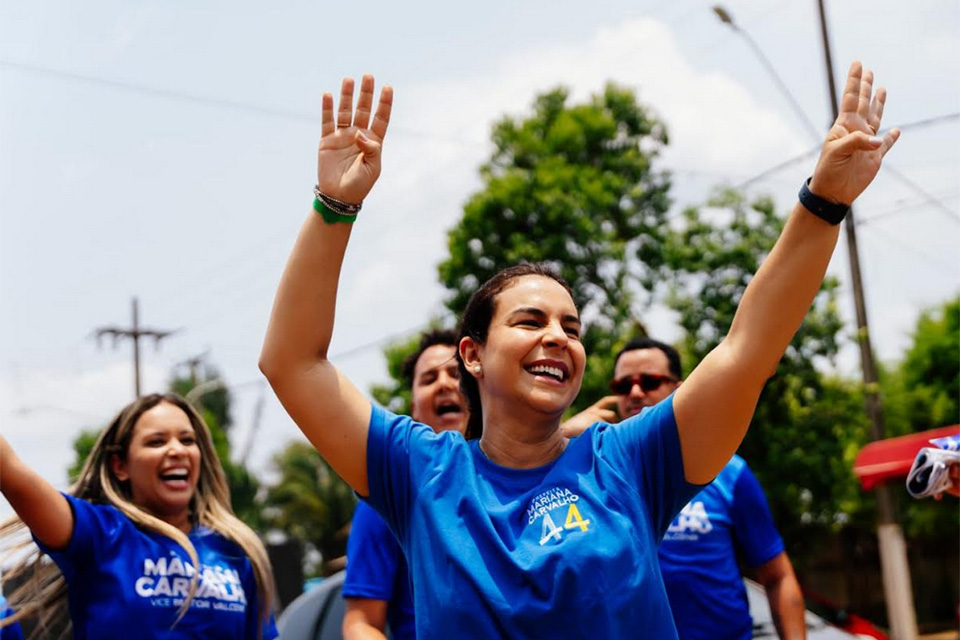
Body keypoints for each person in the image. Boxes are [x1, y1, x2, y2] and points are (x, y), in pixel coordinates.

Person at [259, 63, 899, 639]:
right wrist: (334, 206)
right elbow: (292, 364)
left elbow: (748, 349)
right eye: (530, 320)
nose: (557, 338)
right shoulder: (417, 473)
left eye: (571, 326)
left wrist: (824, 201)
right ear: (472, 355)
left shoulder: (633, 461)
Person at [0, 393, 277, 640]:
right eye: (156, 442)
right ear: (120, 466)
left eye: (187, 440)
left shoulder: (236, 550)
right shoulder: (99, 534)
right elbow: (12, 474)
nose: (177, 450)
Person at [604, 337, 806, 640]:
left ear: (679, 389)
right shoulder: (593, 477)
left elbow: (777, 575)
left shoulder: (728, 470)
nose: (634, 392)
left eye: (649, 381)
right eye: (623, 385)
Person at [342, 329, 468, 640]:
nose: (444, 383)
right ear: (414, 407)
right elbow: (361, 624)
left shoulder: (524, 477)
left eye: (456, 373)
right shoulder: (391, 494)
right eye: (428, 378)